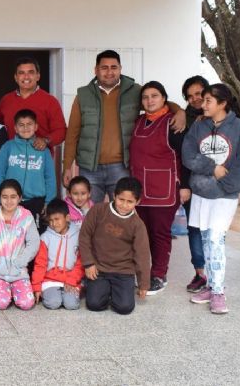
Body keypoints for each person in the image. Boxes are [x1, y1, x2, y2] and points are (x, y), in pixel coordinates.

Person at [63, 50, 185, 202]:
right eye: (104, 67)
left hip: (121, 168)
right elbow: (72, 133)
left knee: (121, 215)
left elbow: (159, 102)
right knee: (90, 214)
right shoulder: (83, 95)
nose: (109, 72)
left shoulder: (134, 91)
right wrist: (67, 166)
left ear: (120, 69)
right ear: (96, 70)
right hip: (89, 169)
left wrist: (179, 111)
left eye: (114, 67)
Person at [183, 84, 240, 314]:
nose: (202, 105)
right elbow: (188, 155)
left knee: (215, 240)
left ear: (222, 104)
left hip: (224, 196)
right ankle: (211, 285)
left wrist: (226, 186)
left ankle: (218, 293)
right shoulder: (198, 126)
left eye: (208, 101)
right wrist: (212, 168)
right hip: (201, 194)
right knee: (205, 241)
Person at [129, 81, 191, 295]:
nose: (150, 100)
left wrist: (185, 186)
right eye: (145, 97)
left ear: (164, 98)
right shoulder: (138, 121)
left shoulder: (173, 123)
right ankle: (143, 272)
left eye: (154, 96)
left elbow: (184, 158)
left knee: (160, 234)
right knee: (142, 233)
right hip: (139, 189)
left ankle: (158, 275)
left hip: (164, 188)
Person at [79, 176, 150, 315]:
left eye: (130, 202)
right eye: (121, 199)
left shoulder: (138, 225)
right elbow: (84, 236)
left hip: (123, 271)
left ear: (138, 201)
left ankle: (113, 291)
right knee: (94, 304)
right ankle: (102, 289)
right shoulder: (98, 210)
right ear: (114, 195)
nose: (124, 205)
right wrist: (88, 263)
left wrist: (143, 284)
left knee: (125, 308)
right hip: (98, 269)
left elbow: (142, 255)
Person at [0, 179, 39, 310]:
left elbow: (34, 243)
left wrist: (20, 262)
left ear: (20, 198)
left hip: (19, 271)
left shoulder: (26, 216)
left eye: (13, 197)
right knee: (1, 303)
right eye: (5, 197)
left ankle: (12, 288)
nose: (9, 201)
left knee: (27, 303)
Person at [0, 109, 56, 221]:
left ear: (36, 127)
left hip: (37, 202)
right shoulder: (8, 147)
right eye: (21, 125)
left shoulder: (43, 150)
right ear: (15, 128)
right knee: (12, 237)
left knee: (35, 236)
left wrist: (49, 202)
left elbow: (50, 177)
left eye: (29, 124)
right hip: (10, 201)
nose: (25, 128)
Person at [0, 57, 66, 154]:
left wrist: (45, 140)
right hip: (11, 160)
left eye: (31, 72)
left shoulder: (50, 101)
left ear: (38, 76)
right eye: (21, 73)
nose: (26, 77)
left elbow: (61, 131)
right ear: (16, 77)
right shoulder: (6, 100)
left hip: (39, 161)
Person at [180, 75, 209, 293]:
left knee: (214, 231)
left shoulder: (225, 118)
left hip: (219, 185)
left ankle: (216, 274)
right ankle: (200, 273)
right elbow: (183, 155)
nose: (195, 99)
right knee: (194, 228)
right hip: (193, 183)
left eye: (199, 93)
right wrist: (185, 185)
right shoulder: (186, 119)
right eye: (190, 97)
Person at [31, 199, 84, 310]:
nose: (54, 224)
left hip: (71, 279)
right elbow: (40, 264)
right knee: (53, 303)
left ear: (67, 218)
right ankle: (53, 294)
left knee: (71, 305)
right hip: (50, 280)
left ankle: (68, 294)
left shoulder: (79, 236)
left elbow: (80, 263)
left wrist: (72, 280)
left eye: (57, 219)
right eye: (51, 220)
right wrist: (36, 287)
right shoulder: (45, 238)